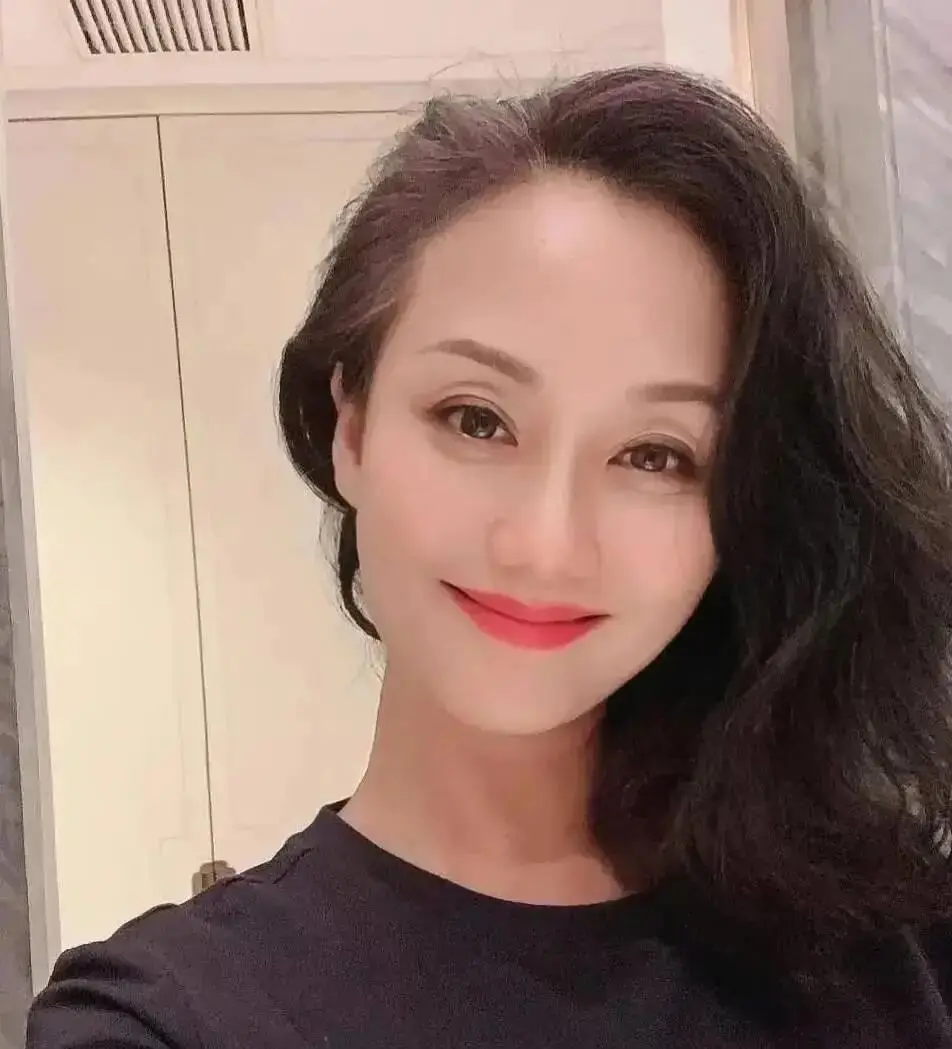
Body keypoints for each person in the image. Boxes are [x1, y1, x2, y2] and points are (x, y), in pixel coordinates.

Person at [26, 65, 952, 1048]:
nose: (543, 544)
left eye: (655, 454)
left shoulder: (899, 946)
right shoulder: (164, 1018)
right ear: (351, 428)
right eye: (476, 419)